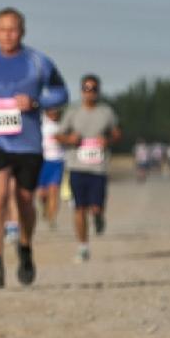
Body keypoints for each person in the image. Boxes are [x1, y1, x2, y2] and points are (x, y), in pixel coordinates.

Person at [0, 7, 68, 287]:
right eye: (2, 29)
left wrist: (36, 103)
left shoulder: (38, 62)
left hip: (28, 143)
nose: (8, 35)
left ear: (22, 32)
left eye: (13, 29)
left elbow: (62, 93)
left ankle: (25, 248)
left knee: (25, 201)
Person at [57, 74, 121, 262]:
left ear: (98, 91)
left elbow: (117, 134)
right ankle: (83, 246)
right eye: (86, 88)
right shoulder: (73, 112)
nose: (89, 92)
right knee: (79, 208)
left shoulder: (106, 112)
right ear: (81, 90)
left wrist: (107, 140)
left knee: (96, 207)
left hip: (98, 168)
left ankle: (99, 216)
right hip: (77, 166)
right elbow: (59, 135)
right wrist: (70, 139)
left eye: (93, 89)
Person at [37, 107, 66, 228]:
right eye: (51, 109)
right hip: (42, 161)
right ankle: (44, 208)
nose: (54, 112)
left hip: (58, 161)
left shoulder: (63, 123)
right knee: (42, 194)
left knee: (54, 191)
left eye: (56, 110)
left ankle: (52, 218)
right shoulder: (40, 121)